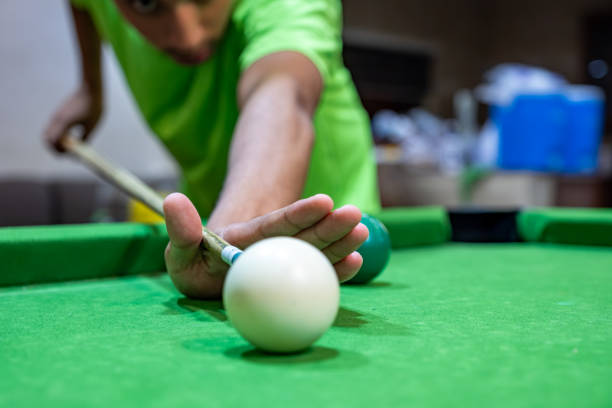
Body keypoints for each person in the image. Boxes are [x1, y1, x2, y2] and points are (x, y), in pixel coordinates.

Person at [45, 0, 380, 298]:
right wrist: (91, 87)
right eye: (146, 3)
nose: (186, 36)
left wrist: (225, 244)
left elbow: (281, 94)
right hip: (212, 213)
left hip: (334, 229)